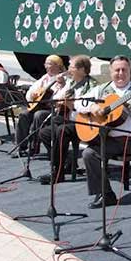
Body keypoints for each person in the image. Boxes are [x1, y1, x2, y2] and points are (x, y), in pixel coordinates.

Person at [76, 56, 131, 209]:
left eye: (124, 70)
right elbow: (79, 102)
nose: (120, 73)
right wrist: (92, 108)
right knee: (89, 154)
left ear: (130, 71)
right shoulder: (101, 89)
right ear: (111, 72)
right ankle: (105, 194)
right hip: (109, 140)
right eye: (117, 70)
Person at [36, 55, 98, 184]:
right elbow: (58, 98)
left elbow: (88, 108)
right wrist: (60, 93)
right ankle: (67, 161)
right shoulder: (71, 82)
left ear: (82, 70)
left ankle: (58, 172)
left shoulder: (92, 86)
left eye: (72, 66)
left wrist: (72, 105)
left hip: (84, 123)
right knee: (44, 132)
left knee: (62, 131)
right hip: (70, 119)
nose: (69, 69)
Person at [13, 55, 66, 157]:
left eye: (48, 64)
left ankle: (34, 146)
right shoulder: (45, 77)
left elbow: (61, 96)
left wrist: (61, 86)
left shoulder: (63, 79)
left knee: (38, 115)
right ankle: (21, 146)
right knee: (24, 114)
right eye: (45, 63)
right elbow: (31, 91)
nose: (45, 66)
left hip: (53, 109)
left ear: (57, 66)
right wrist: (32, 95)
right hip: (39, 106)